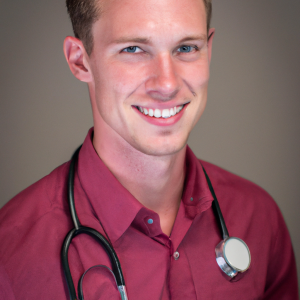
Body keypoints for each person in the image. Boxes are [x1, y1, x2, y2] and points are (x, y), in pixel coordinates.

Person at [0, 0, 298, 299]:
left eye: (186, 48)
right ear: (80, 60)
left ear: (209, 49)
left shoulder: (259, 217)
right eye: (133, 49)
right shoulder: (11, 252)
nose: (167, 84)